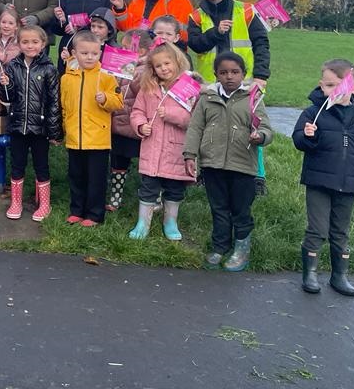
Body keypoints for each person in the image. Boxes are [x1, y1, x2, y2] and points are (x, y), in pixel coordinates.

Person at [293, 59, 354, 296]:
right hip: (319, 182)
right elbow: (299, 141)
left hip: (350, 185)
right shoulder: (313, 113)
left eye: (337, 85)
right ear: (321, 86)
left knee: (341, 231)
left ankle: (339, 275)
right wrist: (308, 136)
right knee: (317, 229)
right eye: (327, 86)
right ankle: (311, 274)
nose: (332, 91)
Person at [184, 52, 274, 272]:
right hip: (213, 164)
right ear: (216, 75)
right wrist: (190, 155)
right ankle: (220, 246)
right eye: (223, 72)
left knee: (240, 208)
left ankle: (242, 248)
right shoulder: (207, 99)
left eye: (235, 72)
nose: (229, 77)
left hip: (242, 164)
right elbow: (196, 128)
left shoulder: (253, 98)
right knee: (219, 207)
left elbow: (266, 128)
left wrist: (260, 136)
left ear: (243, 74)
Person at [188, 0, 272, 194]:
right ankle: (207, 171)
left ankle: (256, 175)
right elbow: (195, 44)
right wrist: (216, 32)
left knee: (251, 125)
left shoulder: (245, 10)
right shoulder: (195, 16)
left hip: (245, 81)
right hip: (210, 83)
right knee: (209, 127)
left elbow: (261, 43)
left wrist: (261, 76)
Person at [128, 43, 195, 240]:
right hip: (152, 148)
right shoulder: (148, 88)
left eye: (167, 63)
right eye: (158, 66)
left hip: (176, 150)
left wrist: (172, 115)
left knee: (174, 189)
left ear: (177, 62)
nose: (164, 68)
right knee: (148, 187)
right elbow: (137, 111)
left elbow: (194, 118)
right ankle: (143, 223)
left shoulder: (188, 87)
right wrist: (141, 125)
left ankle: (170, 222)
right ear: (152, 69)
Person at [0, 25, 61, 222]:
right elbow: (7, 98)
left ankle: (44, 204)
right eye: (25, 42)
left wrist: (54, 132)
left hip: (40, 129)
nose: (30, 45)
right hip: (18, 126)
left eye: (35, 42)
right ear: (19, 44)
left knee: (41, 166)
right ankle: (16, 202)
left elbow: (54, 102)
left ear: (43, 44)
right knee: (17, 165)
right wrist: (5, 85)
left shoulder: (49, 69)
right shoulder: (12, 66)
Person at [61, 32, 123, 226]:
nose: (89, 57)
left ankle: (94, 214)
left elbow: (118, 102)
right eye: (84, 53)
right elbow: (64, 105)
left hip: (97, 138)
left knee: (96, 179)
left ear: (100, 54)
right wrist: (64, 127)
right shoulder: (67, 78)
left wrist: (105, 99)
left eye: (94, 54)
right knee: (76, 176)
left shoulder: (105, 77)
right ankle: (77, 210)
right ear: (74, 53)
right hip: (74, 137)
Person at [107, 28, 151, 213]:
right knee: (118, 162)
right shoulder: (121, 65)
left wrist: (132, 77)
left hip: (136, 127)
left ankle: (151, 197)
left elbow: (147, 95)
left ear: (141, 51)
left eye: (126, 47)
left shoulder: (148, 70)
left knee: (146, 164)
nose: (122, 50)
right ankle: (115, 197)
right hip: (118, 124)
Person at [59, 6, 118, 71]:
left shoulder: (115, 50)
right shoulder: (82, 45)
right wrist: (68, 59)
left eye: (100, 27)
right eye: (93, 26)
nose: (95, 30)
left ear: (109, 29)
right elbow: (75, 69)